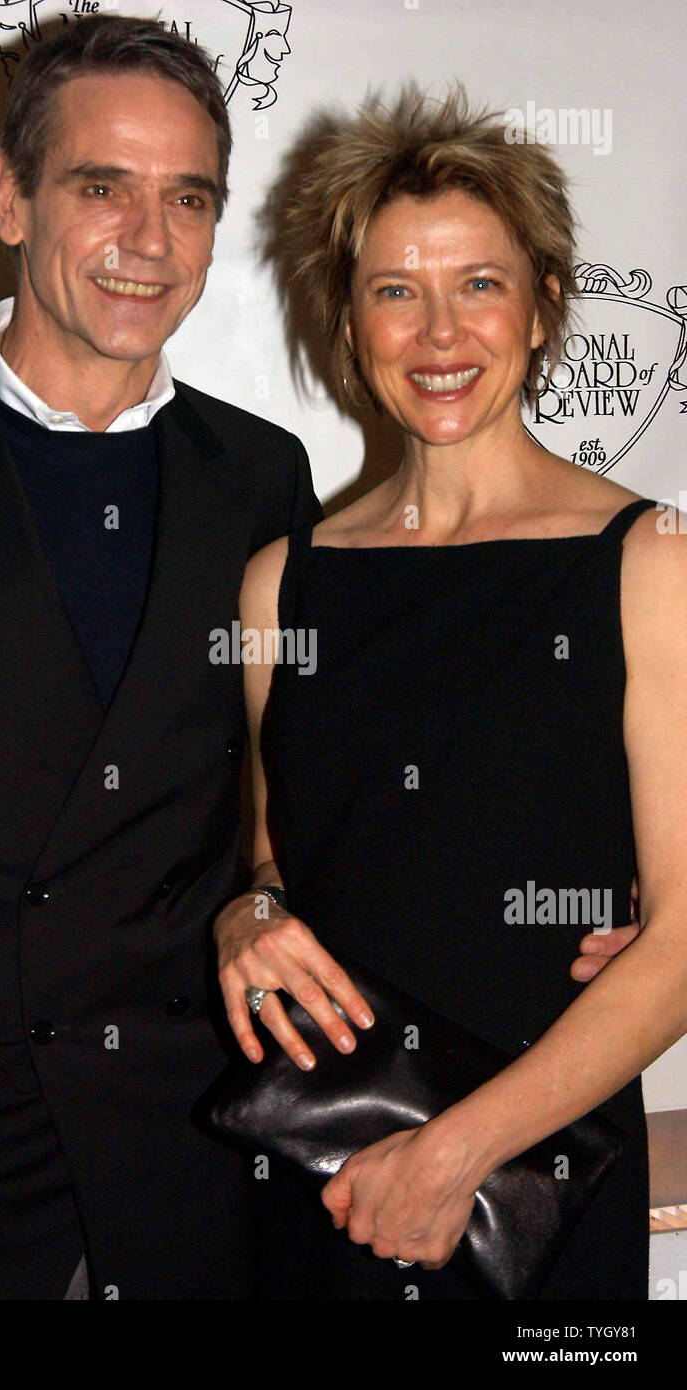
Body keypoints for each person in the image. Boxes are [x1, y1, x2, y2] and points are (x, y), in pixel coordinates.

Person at [0, 15, 325, 1301]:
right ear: (10, 196)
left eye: (186, 198)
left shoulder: (260, 478)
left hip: (172, 1172)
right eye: (100, 186)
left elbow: (307, 791)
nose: (147, 241)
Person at [214, 86, 685, 1299]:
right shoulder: (284, 583)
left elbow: (680, 945)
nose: (436, 332)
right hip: (322, 1172)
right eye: (392, 289)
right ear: (346, 319)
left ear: (540, 308)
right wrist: (248, 920)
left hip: (533, 1190)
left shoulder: (647, 565)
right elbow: (273, 863)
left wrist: (455, 1152)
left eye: (478, 283)